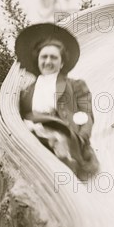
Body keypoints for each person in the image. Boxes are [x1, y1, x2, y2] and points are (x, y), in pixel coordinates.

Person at [15, 23, 99, 180]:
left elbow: (86, 115)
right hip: (32, 139)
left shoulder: (75, 85)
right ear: (38, 60)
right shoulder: (25, 91)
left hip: (66, 137)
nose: (48, 61)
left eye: (53, 57)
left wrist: (82, 139)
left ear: (61, 63)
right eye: (44, 57)